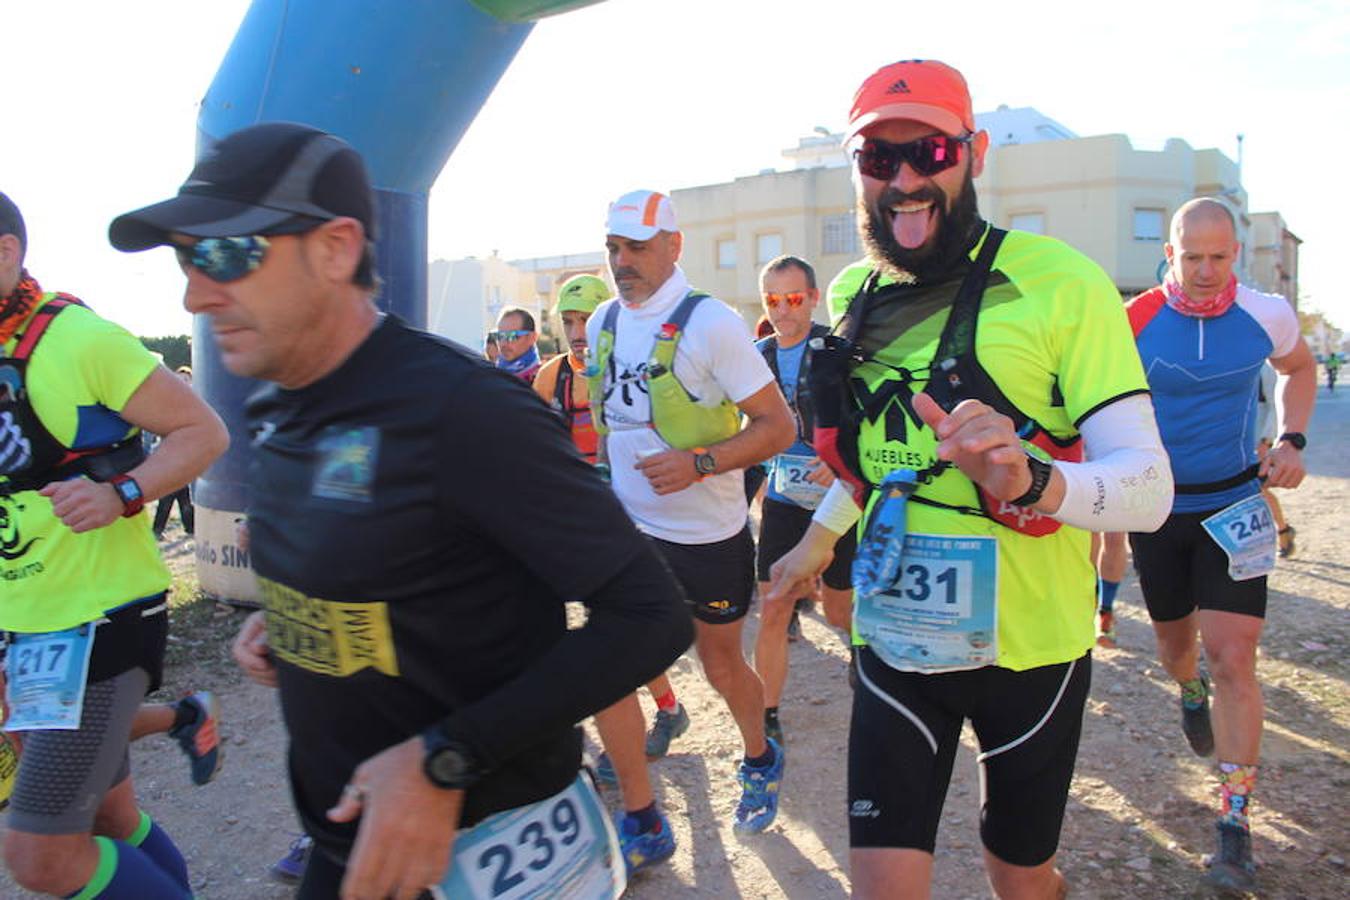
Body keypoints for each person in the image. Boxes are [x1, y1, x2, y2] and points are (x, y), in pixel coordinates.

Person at [110, 122, 693, 900]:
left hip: (489, 845)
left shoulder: (461, 408)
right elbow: (392, 574)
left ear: (336, 248)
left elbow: (651, 618)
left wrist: (442, 759)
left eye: (226, 254)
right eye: (188, 258)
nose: (194, 291)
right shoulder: (282, 407)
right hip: (350, 843)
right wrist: (292, 624)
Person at [766, 60, 1173, 899]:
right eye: (880, 158)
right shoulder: (854, 290)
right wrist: (809, 546)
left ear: (974, 152)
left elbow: (1147, 487)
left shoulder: (1061, 281)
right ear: (857, 169)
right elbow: (884, 465)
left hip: (1031, 650)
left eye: (931, 150)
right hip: (897, 640)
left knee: (1019, 881)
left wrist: (1037, 483)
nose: (907, 179)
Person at [0, 190, 229, 898]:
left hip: (104, 620)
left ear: (6, 255)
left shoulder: (76, 338)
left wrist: (122, 493)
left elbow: (204, 432)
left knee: (37, 852)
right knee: (107, 815)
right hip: (25, 627)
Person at [587, 189, 795, 836]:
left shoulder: (711, 324)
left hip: (708, 536)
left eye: (637, 248)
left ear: (674, 246)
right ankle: (641, 814)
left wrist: (699, 462)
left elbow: (778, 427)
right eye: (614, 248)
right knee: (605, 665)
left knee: (722, 666)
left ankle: (760, 755)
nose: (623, 261)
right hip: (628, 530)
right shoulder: (602, 323)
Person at [1124, 197, 1317, 892]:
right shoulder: (1135, 320)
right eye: (1192, 257)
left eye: (1220, 256)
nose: (1206, 272)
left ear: (1238, 254)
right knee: (1178, 652)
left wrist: (1292, 439)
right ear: (1170, 254)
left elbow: (1300, 369)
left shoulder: (1267, 314)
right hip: (1160, 511)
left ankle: (1233, 823)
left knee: (1235, 655)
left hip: (1234, 504)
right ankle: (1189, 689)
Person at [534, 273, 693, 775]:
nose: (578, 331)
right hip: (571, 519)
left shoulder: (631, 367)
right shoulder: (549, 378)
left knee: (616, 632)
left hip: (626, 516)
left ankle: (637, 733)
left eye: (586, 319)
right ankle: (660, 712)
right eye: (569, 320)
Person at [749, 255, 855, 749]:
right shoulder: (754, 355)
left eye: (793, 299)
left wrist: (838, 461)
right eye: (773, 299)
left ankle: (864, 655)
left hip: (838, 496)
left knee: (838, 611)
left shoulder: (839, 351)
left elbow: (868, 425)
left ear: (813, 298)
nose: (783, 310)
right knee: (774, 603)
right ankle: (766, 713)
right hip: (785, 497)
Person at [1255, 362, 1296, 558]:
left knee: (1258, 488)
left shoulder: (1266, 368)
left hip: (1257, 441)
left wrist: (1267, 439)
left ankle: (1282, 530)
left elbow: (1275, 405)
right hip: (1234, 439)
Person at [151, 365, 197, 537]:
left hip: (188, 456)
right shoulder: (168, 401)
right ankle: (184, 528)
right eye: (178, 379)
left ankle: (187, 528)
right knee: (174, 494)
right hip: (172, 455)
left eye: (185, 379)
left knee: (182, 495)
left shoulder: (195, 402)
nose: (182, 382)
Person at [494, 306, 541, 383]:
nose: (503, 343)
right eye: (500, 336)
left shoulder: (545, 380)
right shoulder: (492, 378)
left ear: (532, 337)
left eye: (512, 336)